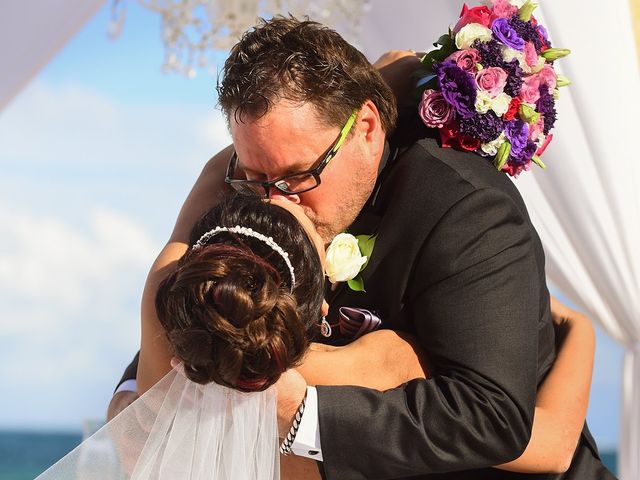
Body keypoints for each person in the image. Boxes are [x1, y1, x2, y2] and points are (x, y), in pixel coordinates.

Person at [111, 17, 615, 479]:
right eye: (255, 176)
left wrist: (302, 415)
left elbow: (495, 417)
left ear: (368, 129)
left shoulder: (465, 204)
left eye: (298, 175)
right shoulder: (260, 190)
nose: (277, 202)